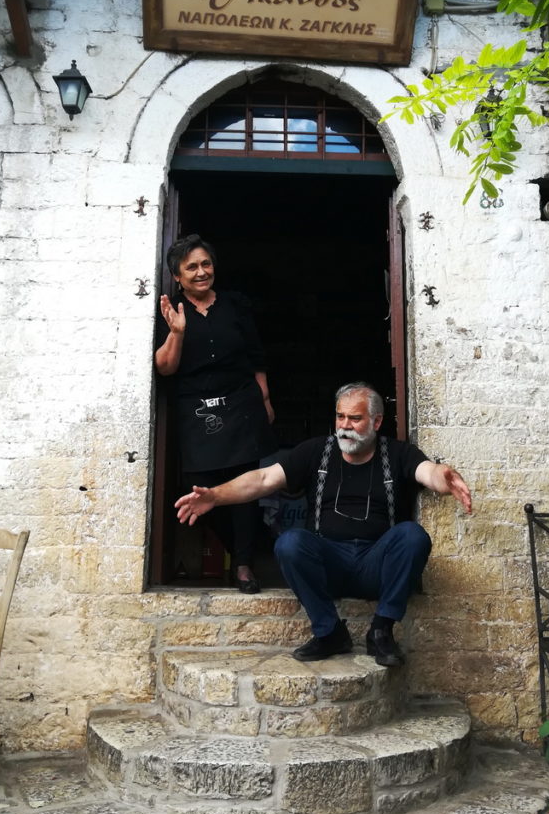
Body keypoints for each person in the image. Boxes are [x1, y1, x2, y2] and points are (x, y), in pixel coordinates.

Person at [175, 381, 472, 666]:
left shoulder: (397, 453)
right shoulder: (316, 451)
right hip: (328, 564)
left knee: (412, 535)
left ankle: (381, 630)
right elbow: (263, 479)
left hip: (376, 565)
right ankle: (329, 633)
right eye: (340, 416)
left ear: (377, 422)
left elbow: (426, 471)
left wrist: (443, 475)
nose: (345, 425)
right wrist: (215, 495)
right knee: (290, 543)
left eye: (355, 418)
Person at [155, 234, 276, 593]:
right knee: (197, 487)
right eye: (191, 267)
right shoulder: (170, 311)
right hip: (196, 409)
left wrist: (265, 399)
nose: (201, 272)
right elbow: (164, 368)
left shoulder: (235, 306)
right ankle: (244, 545)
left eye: (206, 264)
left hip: (241, 404)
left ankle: (243, 564)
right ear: (177, 276)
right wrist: (176, 333)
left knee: (244, 488)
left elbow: (255, 355)